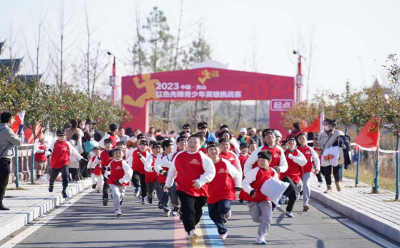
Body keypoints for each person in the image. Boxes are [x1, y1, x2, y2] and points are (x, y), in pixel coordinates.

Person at [164, 134, 216, 245]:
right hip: (184, 188)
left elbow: (211, 172)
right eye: (190, 142)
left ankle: (190, 223)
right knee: (189, 208)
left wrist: (201, 181)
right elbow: (172, 171)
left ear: (201, 144)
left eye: (195, 142)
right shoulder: (179, 156)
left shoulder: (203, 157)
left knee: (197, 211)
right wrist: (168, 184)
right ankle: (191, 231)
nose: (192, 144)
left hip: (201, 190)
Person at [239, 150, 277, 244]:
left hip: (266, 199)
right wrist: (250, 190)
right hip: (254, 199)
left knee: (267, 218)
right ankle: (263, 221)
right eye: (259, 160)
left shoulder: (273, 172)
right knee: (256, 218)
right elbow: (244, 183)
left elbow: (276, 184)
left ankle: (261, 236)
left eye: (263, 160)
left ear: (269, 161)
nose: (260, 162)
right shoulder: (254, 171)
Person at [206, 142, 242, 240]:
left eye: (215, 149)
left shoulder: (225, 162)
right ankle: (222, 231)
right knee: (212, 214)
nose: (213, 151)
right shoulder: (205, 164)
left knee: (223, 208)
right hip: (211, 193)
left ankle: (226, 210)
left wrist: (238, 185)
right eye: (211, 150)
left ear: (219, 151)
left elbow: (237, 174)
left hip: (225, 191)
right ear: (207, 152)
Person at [47, 129, 84, 198]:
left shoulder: (67, 144)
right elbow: (49, 150)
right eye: (60, 136)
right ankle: (51, 184)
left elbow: (74, 152)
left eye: (63, 136)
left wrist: (80, 158)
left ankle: (64, 190)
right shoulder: (54, 143)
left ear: (65, 136)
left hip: (64, 162)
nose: (61, 137)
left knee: (66, 175)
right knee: (53, 176)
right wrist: (48, 154)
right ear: (57, 136)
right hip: (55, 163)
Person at [0, 112, 25, 210]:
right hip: (4, 159)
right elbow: (18, 142)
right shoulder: (7, 130)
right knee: (3, 181)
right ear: (9, 120)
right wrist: (21, 134)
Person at [279, 137, 307, 217]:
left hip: (296, 176)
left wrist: (293, 157)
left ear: (296, 143)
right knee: (290, 185)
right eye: (289, 142)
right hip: (285, 175)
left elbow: (303, 163)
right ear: (286, 144)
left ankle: (289, 210)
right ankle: (283, 195)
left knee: (294, 195)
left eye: (293, 142)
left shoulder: (299, 153)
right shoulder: (283, 153)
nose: (291, 143)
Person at [104, 147, 133, 218]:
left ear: (123, 154)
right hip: (112, 181)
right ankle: (117, 210)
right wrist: (107, 175)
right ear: (113, 155)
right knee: (116, 193)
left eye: (119, 153)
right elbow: (107, 171)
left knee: (121, 196)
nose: (117, 154)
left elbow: (129, 173)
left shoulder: (123, 163)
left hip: (122, 183)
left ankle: (116, 199)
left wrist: (121, 180)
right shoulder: (111, 162)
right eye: (116, 153)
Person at [318, 119, 345, 193]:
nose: (325, 126)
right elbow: (319, 144)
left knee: (336, 171)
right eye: (324, 124)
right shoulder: (322, 135)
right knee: (326, 172)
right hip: (326, 155)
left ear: (332, 125)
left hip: (336, 155)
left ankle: (337, 182)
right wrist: (318, 145)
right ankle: (329, 187)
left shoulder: (338, 133)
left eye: (327, 124)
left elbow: (343, 143)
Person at [296, 133, 320, 211]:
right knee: (298, 186)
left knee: (306, 184)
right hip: (297, 171)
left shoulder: (310, 149)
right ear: (297, 140)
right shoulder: (295, 149)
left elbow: (316, 158)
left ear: (306, 139)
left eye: (303, 138)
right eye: (300, 139)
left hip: (308, 170)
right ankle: (294, 196)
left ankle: (305, 203)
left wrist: (317, 168)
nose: (302, 140)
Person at [154, 139, 175, 216]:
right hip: (163, 179)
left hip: (173, 178)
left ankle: (174, 207)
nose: (172, 147)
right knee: (164, 195)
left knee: (173, 194)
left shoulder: (175, 155)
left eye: (172, 145)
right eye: (170, 145)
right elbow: (156, 166)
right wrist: (163, 172)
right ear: (165, 147)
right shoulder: (160, 156)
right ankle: (166, 209)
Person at [92, 139, 114, 205]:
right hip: (105, 171)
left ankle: (114, 195)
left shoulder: (115, 152)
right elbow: (96, 160)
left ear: (112, 145)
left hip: (115, 171)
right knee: (106, 184)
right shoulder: (101, 153)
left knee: (113, 185)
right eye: (105, 144)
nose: (107, 145)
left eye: (108, 144)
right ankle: (105, 198)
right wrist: (93, 166)